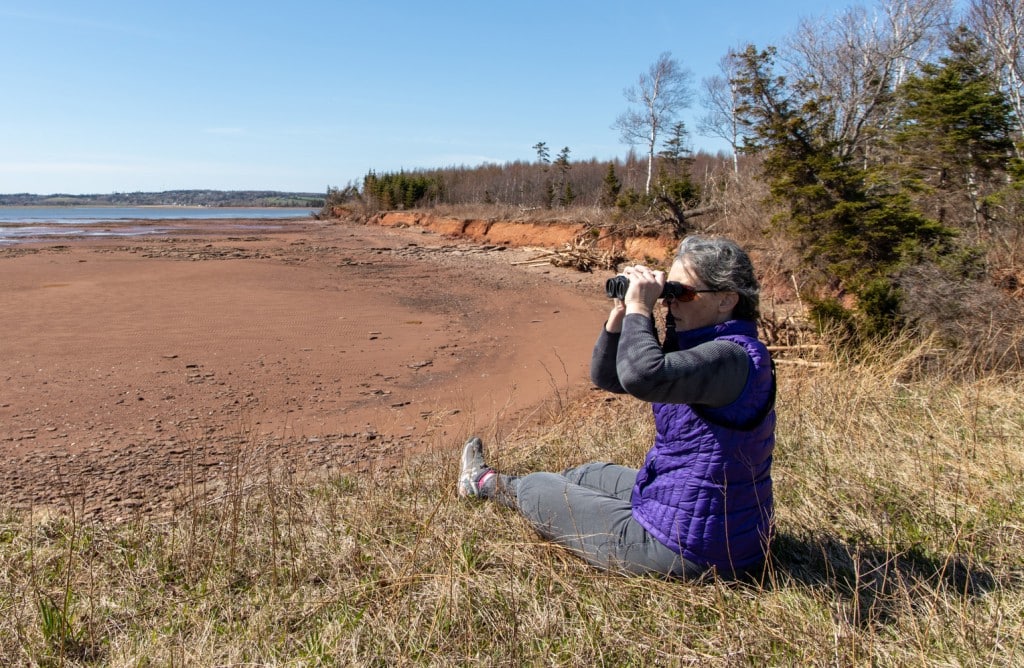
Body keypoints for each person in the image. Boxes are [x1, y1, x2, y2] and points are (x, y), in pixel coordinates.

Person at [458, 235, 775, 579]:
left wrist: (642, 308)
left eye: (682, 293)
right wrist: (622, 315)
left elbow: (642, 376)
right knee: (589, 474)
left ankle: (482, 483)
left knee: (537, 487)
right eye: (669, 291)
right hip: (711, 519)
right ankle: (564, 496)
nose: (671, 304)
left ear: (727, 299)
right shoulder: (706, 348)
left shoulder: (732, 357)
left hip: (690, 549)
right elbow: (609, 377)